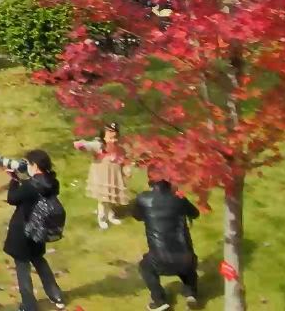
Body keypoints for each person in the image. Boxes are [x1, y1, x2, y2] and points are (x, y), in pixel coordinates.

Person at [4, 150, 67, 311]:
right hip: (40, 231)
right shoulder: (52, 182)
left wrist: (13, 180)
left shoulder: (29, 186)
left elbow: (12, 199)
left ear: (35, 166)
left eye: (28, 164)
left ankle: (29, 305)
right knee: (40, 262)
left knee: (23, 269)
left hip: (23, 232)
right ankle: (56, 295)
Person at [132, 172, 201, 311]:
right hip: (186, 259)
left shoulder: (143, 199)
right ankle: (191, 294)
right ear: (170, 182)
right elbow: (195, 213)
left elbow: (137, 216)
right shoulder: (179, 198)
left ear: (151, 183)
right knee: (186, 260)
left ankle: (159, 301)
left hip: (160, 261)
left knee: (144, 266)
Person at [74, 123, 132, 229]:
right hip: (101, 176)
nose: (113, 140)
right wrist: (82, 146)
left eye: (115, 137)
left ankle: (110, 215)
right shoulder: (99, 146)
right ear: (103, 136)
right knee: (103, 199)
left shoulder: (119, 149)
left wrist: (126, 170)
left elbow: (124, 160)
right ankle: (102, 218)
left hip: (114, 176)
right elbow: (87, 146)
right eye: (110, 137)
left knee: (111, 197)